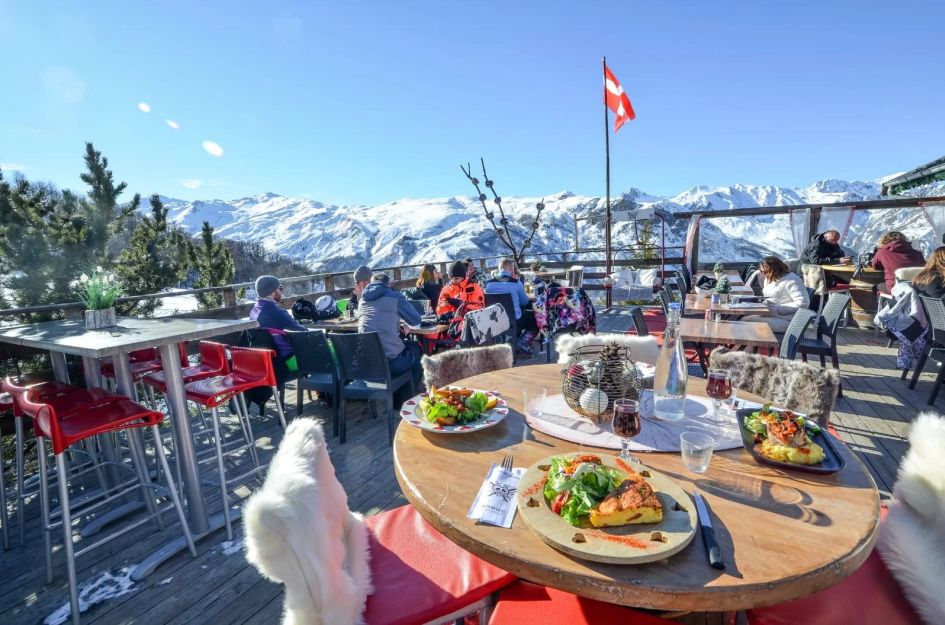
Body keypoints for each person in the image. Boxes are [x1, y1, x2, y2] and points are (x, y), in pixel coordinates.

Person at [356, 272, 423, 395]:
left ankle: (396, 392)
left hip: (368, 363)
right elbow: (416, 320)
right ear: (388, 284)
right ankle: (407, 397)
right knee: (416, 349)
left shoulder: (362, 299)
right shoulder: (395, 297)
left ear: (371, 283)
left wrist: (396, 324)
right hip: (390, 363)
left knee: (406, 347)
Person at [249, 275, 308, 370]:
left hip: (268, 360)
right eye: (280, 288)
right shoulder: (277, 313)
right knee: (331, 351)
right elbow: (304, 332)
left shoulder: (255, 309)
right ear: (272, 292)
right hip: (288, 360)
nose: (281, 291)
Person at [740, 256, 809, 334]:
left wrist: (779, 309)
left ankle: (757, 344)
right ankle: (756, 345)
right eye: (761, 271)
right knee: (746, 319)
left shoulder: (792, 281)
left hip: (789, 321)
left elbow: (803, 303)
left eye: (765, 271)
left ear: (774, 270)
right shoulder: (770, 279)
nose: (763, 274)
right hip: (774, 315)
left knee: (746, 322)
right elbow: (772, 298)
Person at [485, 259, 538, 354]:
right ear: (511, 268)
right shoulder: (516, 283)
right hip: (514, 321)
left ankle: (512, 342)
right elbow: (525, 302)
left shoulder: (489, 284)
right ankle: (522, 342)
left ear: (499, 269)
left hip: (495, 321)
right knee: (534, 321)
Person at [437, 260, 486, 337]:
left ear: (463, 276)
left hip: (469, 327)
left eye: (457, 278)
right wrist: (444, 306)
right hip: (448, 325)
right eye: (451, 278)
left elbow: (480, 309)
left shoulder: (474, 288)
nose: (454, 281)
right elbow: (439, 310)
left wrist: (462, 305)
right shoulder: (446, 289)